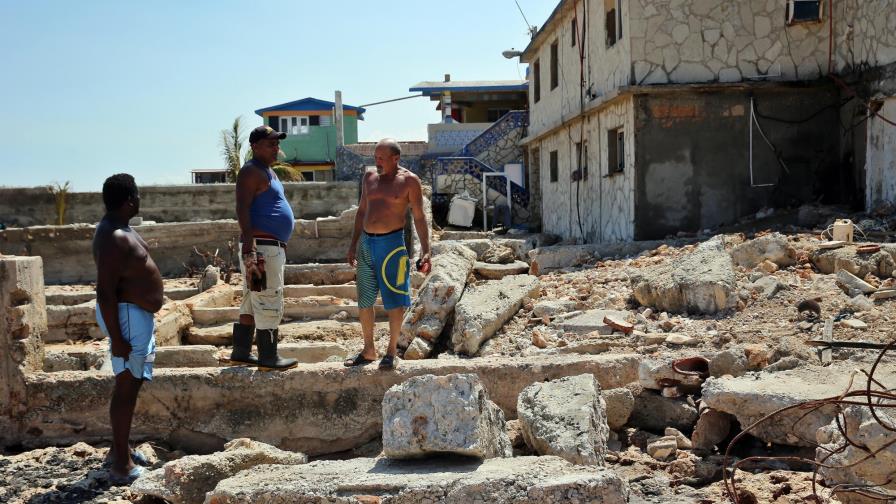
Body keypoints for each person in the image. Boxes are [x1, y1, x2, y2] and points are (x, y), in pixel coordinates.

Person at [93, 173, 162, 484]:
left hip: (135, 317)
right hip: (126, 318)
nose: (140, 200)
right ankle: (121, 463)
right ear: (130, 199)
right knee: (126, 387)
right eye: (137, 195)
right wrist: (118, 339)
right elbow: (105, 292)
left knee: (131, 384)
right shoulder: (113, 236)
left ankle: (121, 449)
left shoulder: (121, 230)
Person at [344, 138, 431, 370]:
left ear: (396, 158)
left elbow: (420, 217)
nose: (377, 162)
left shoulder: (409, 181)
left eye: (382, 158)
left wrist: (426, 250)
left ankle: (391, 352)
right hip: (366, 244)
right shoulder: (369, 178)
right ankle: (368, 349)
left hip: (392, 247)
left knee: (394, 302)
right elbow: (362, 211)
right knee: (364, 300)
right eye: (375, 157)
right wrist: (353, 244)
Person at [228, 125, 297, 370]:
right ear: (255, 146)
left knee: (252, 296)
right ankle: (268, 357)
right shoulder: (251, 171)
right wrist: (249, 244)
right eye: (271, 144)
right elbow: (242, 207)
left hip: (266, 246)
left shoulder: (267, 171)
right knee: (268, 296)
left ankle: (241, 351)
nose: (276, 148)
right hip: (262, 247)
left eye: (277, 143)